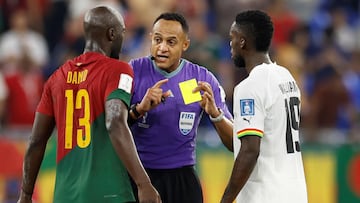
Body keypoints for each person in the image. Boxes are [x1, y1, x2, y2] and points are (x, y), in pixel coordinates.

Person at [17, 6, 161, 203]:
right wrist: (144, 184)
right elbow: (115, 123)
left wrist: (25, 195)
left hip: (64, 196)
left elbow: (36, 141)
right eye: (122, 33)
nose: (123, 39)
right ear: (112, 34)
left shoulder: (57, 77)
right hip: (109, 194)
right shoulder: (118, 70)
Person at [127, 12, 233, 203]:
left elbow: (235, 143)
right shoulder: (132, 72)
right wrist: (139, 109)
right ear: (150, 39)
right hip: (138, 177)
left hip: (182, 180)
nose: (162, 48)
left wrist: (215, 114)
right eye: (157, 40)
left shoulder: (202, 79)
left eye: (171, 42)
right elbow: (111, 125)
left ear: (185, 45)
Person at [219, 10, 308, 203]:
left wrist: (226, 199)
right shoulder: (286, 77)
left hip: (266, 195)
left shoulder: (249, 87)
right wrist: (217, 115)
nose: (230, 44)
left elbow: (250, 149)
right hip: (296, 192)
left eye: (232, 38)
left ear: (242, 42)